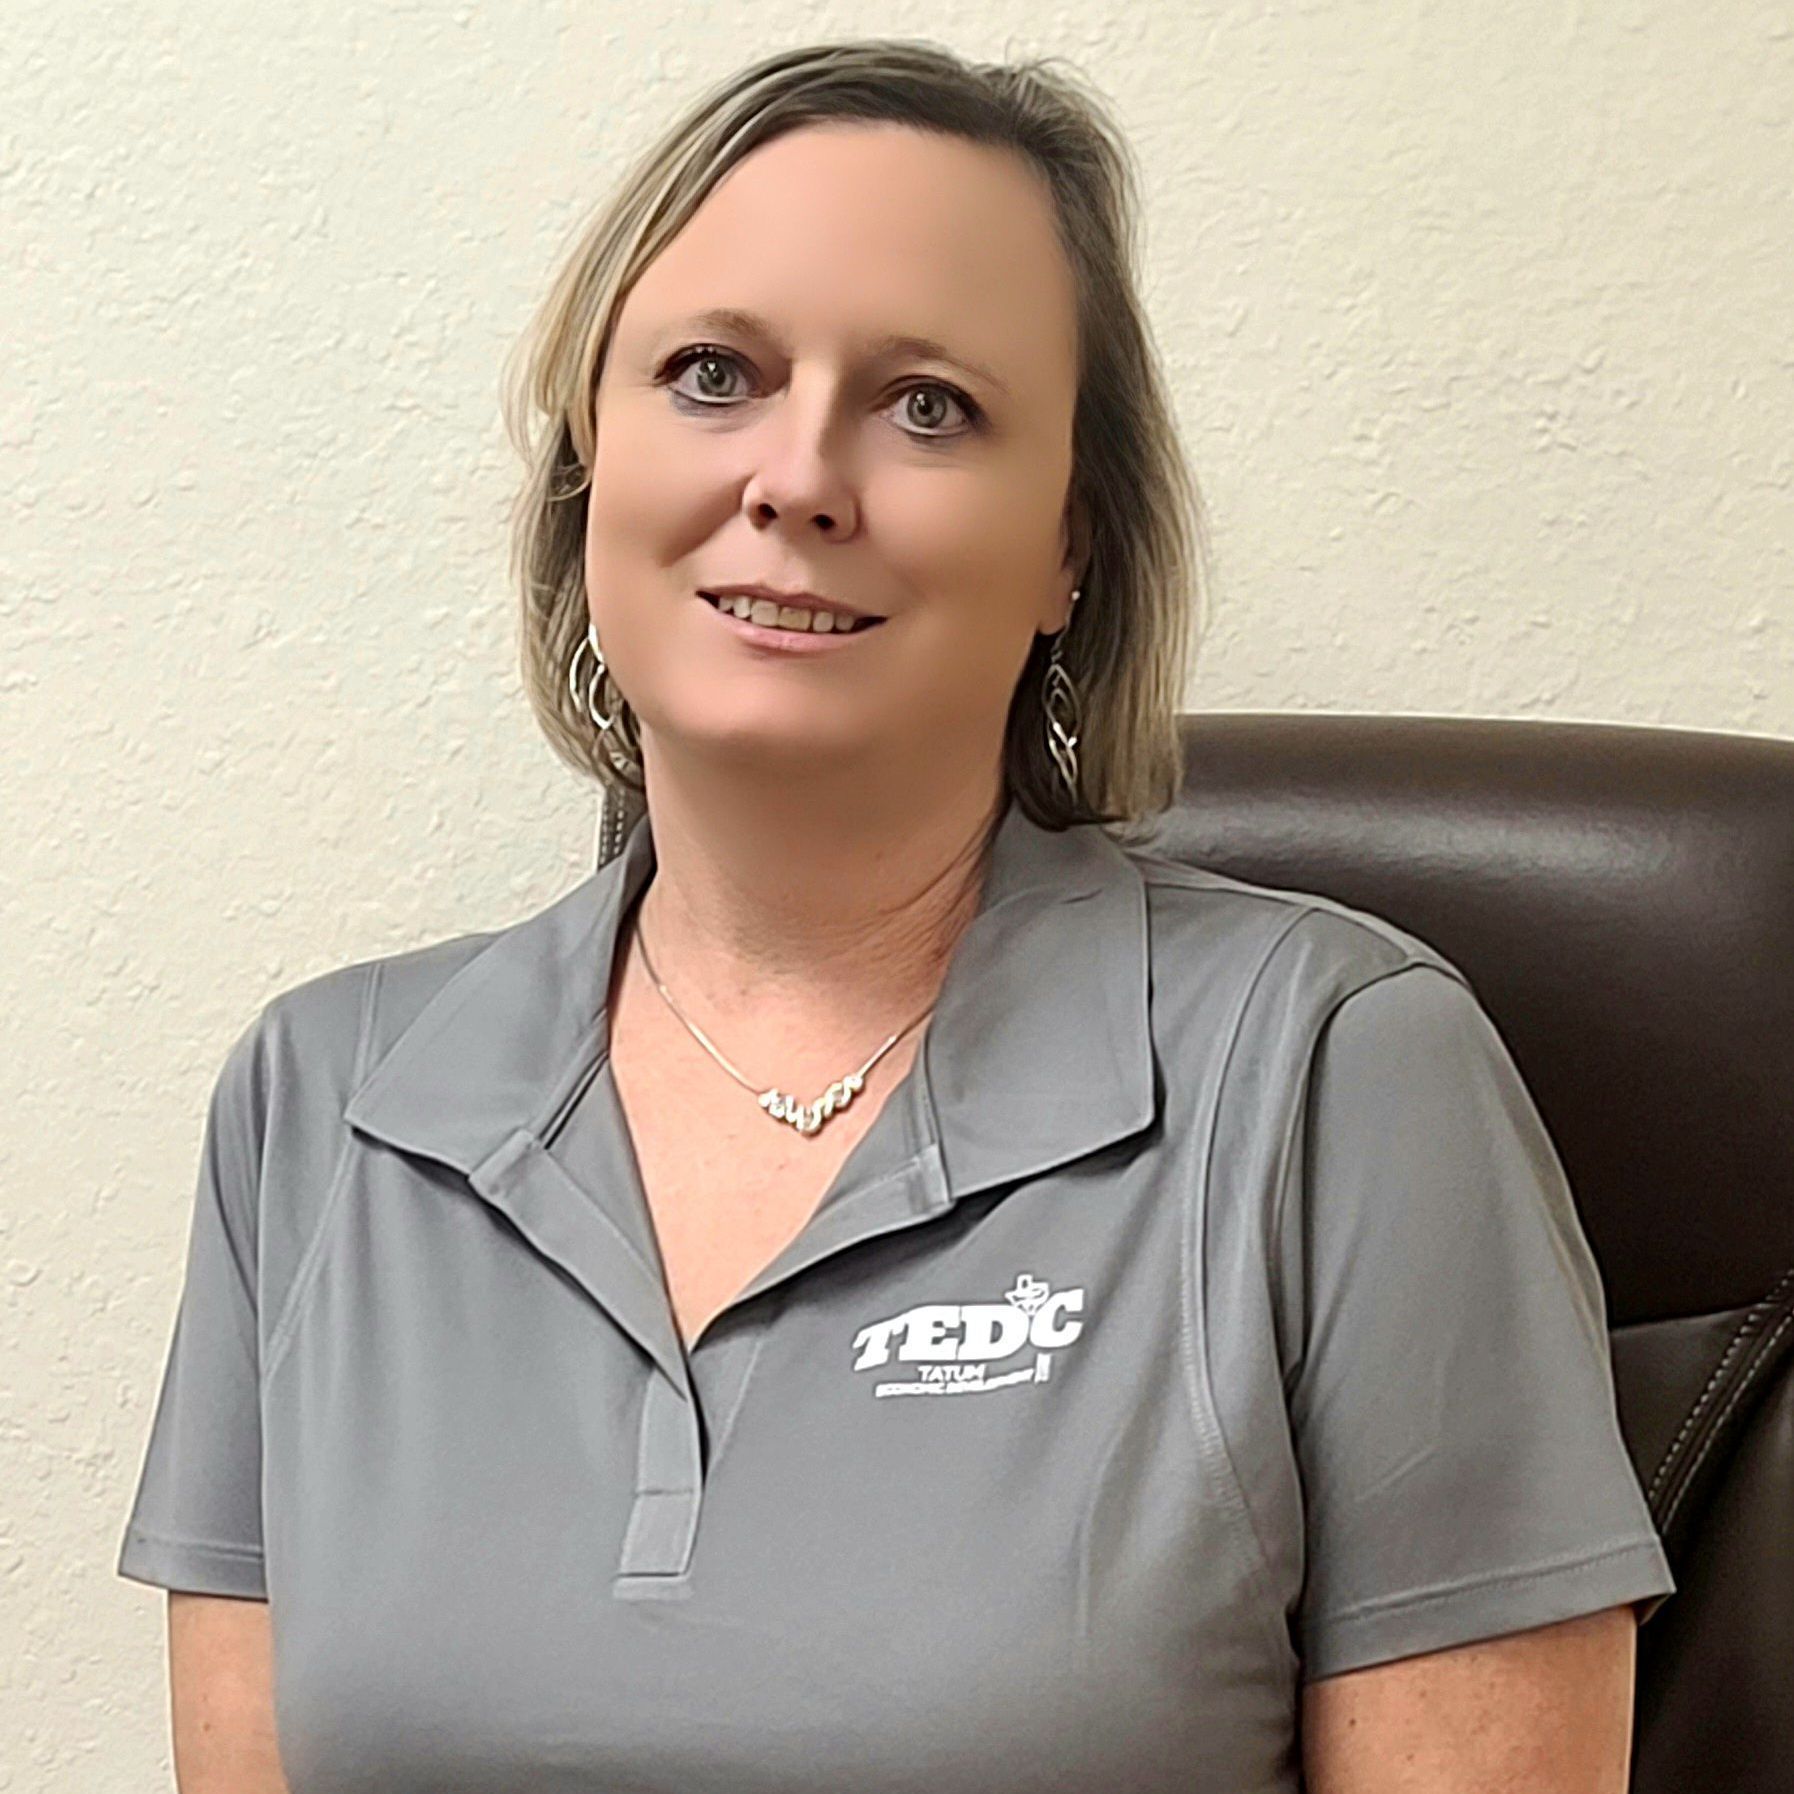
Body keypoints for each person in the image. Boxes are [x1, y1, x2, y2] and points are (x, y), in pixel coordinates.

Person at [117, 38, 1675, 1794]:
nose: (795, 478)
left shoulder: (1336, 1075)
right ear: (588, 475)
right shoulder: (319, 1104)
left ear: (1069, 546)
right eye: (711, 374)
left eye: (928, 403)